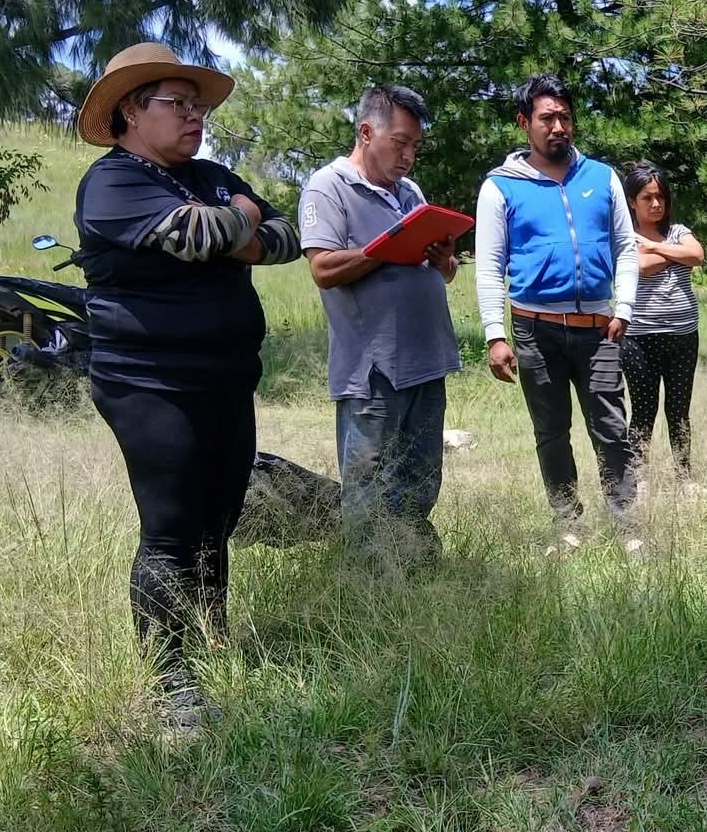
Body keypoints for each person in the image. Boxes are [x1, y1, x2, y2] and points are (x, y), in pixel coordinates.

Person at [72, 42, 302, 732]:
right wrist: (243, 221)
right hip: (149, 382)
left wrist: (241, 223)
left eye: (198, 104)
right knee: (170, 530)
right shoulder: (113, 183)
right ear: (130, 113)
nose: (196, 114)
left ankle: (213, 639)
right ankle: (169, 678)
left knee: (219, 519)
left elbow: (289, 238)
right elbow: (209, 235)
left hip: (227, 377)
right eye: (178, 102)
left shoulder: (210, 174)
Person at [299, 84, 460, 562]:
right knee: (368, 486)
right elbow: (323, 269)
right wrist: (387, 247)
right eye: (400, 142)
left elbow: (443, 274)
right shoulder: (327, 186)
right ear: (367, 133)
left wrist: (444, 257)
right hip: (372, 371)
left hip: (427, 361)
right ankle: (366, 585)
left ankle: (412, 565)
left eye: (416, 145)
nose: (409, 155)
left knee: (420, 478)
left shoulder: (409, 192)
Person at [474, 74, 639, 530]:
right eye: (547, 118)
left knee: (611, 429)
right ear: (524, 123)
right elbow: (489, 266)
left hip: (600, 327)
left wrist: (623, 306)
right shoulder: (500, 187)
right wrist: (495, 335)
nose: (558, 127)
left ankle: (627, 525)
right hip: (535, 329)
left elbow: (626, 247)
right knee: (551, 433)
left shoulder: (602, 177)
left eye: (565, 117)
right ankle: (569, 525)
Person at [616, 161, 707, 485]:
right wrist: (671, 253)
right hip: (638, 337)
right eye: (647, 198)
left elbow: (697, 254)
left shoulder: (678, 231)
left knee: (679, 411)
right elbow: (640, 266)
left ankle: (685, 477)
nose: (656, 204)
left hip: (682, 336)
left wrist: (656, 245)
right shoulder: (623, 235)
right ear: (631, 201)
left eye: (661, 197)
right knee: (643, 411)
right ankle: (637, 480)